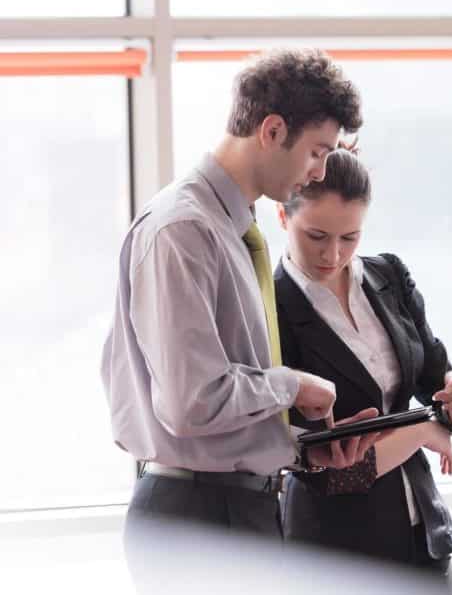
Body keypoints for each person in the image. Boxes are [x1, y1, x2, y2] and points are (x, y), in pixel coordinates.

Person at [100, 49, 383, 592]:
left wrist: (296, 440)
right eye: (317, 152)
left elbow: (219, 397)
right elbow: (190, 403)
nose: (321, 171)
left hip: (237, 509)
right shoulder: (184, 231)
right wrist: (291, 386)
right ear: (273, 130)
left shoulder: (233, 230)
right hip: (197, 518)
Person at [274, 150, 452, 592]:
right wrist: (422, 434)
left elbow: (442, 396)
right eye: (315, 235)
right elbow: (324, 469)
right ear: (282, 215)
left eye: (350, 237)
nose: (333, 254)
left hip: (424, 538)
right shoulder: (270, 309)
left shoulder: (388, 276)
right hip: (336, 555)